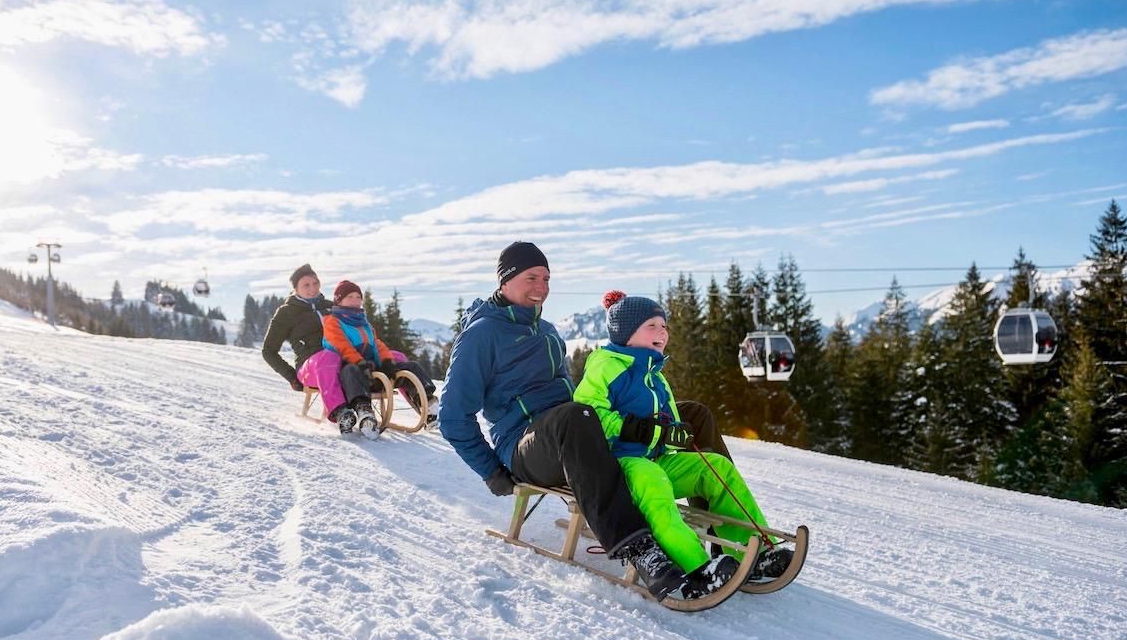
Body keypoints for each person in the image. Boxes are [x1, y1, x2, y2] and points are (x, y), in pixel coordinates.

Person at [439, 241, 686, 599]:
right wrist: (491, 470)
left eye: (547, 278)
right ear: (505, 280)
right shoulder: (482, 335)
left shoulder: (548, 332)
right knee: (576, 415)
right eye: (532, 277)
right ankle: (638, 549)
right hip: (524, 445)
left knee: (684, 412)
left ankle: (731, 530)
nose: (542, 287)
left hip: (573, 433)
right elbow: (452, 415)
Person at [573, 291, 793, 598]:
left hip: (655, 460)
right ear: (626, 332)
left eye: (664, 326)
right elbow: (587, 416)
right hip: (622, 465)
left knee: (714, 467)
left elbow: (670, 423)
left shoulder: (657, 375)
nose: (662, 333)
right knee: (656, 485)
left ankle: (751, 552)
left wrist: (676, 433)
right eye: (652, 325)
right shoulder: (606, 366)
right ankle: (697, 567)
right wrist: (643, 430)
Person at [319, 279, 438, 438]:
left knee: (411, 367)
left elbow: (377, 344)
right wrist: (359, 362)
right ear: (339, 300)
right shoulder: (333, 322)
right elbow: (342, 346)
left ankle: (429, 404)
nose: (355, 301)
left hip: (372, 371)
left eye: (358, 297)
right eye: (350, 297)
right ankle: (364, 412)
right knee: (352, 370)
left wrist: (387, 362)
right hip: (348, 374)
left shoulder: (364, 322)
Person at [261, 263, 334, 391]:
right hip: (310, 366)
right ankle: (339, 409)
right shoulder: (287, 312)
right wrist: (292, 377)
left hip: (339, 361)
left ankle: (362, 407)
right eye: (306, 285)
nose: (313, 288)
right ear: (296, 289)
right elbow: (268, 351)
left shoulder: (331, 307)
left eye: (316, 283)